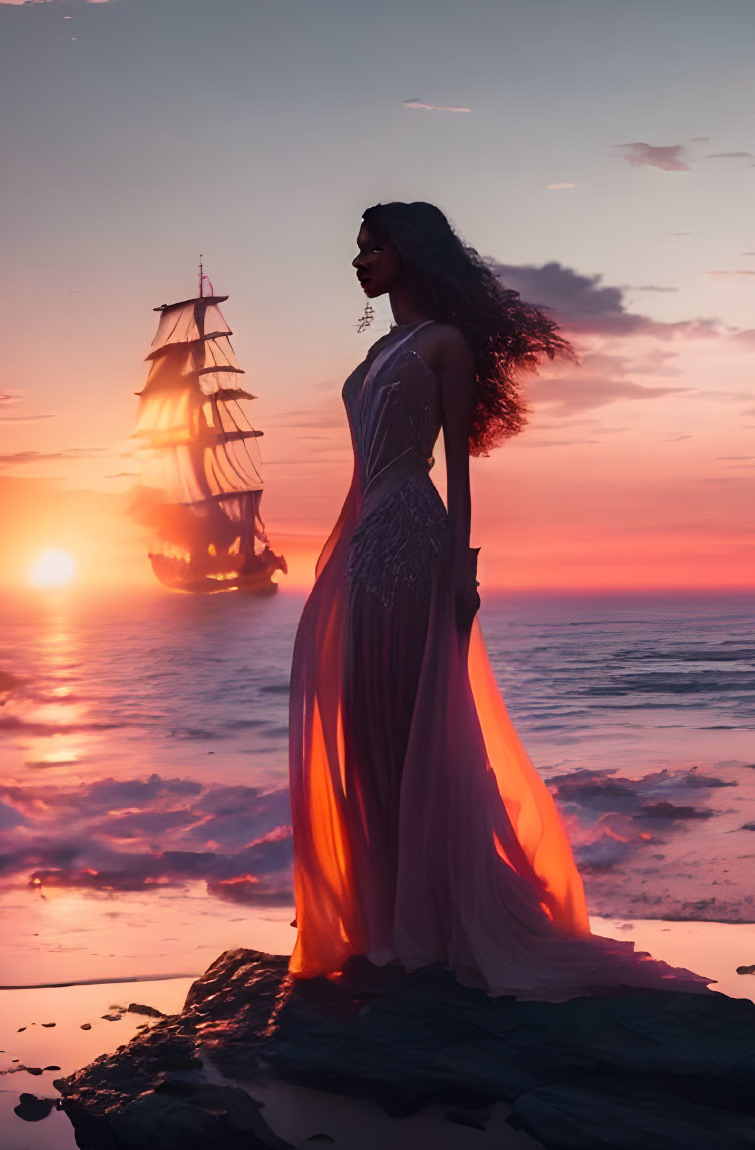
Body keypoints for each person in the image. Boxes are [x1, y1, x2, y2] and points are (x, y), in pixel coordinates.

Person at [287, 201, 713, 1001]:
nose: (359, 261)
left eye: (373, 247)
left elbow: (458, 472)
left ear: (409, 253)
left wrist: (460, 573)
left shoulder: (444, 345)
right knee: (365, 715)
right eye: (358, 249)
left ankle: (440, 920)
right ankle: (387, 919)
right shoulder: (380, 348)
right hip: (361, 536)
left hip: (411, 535)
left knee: (412, 719)